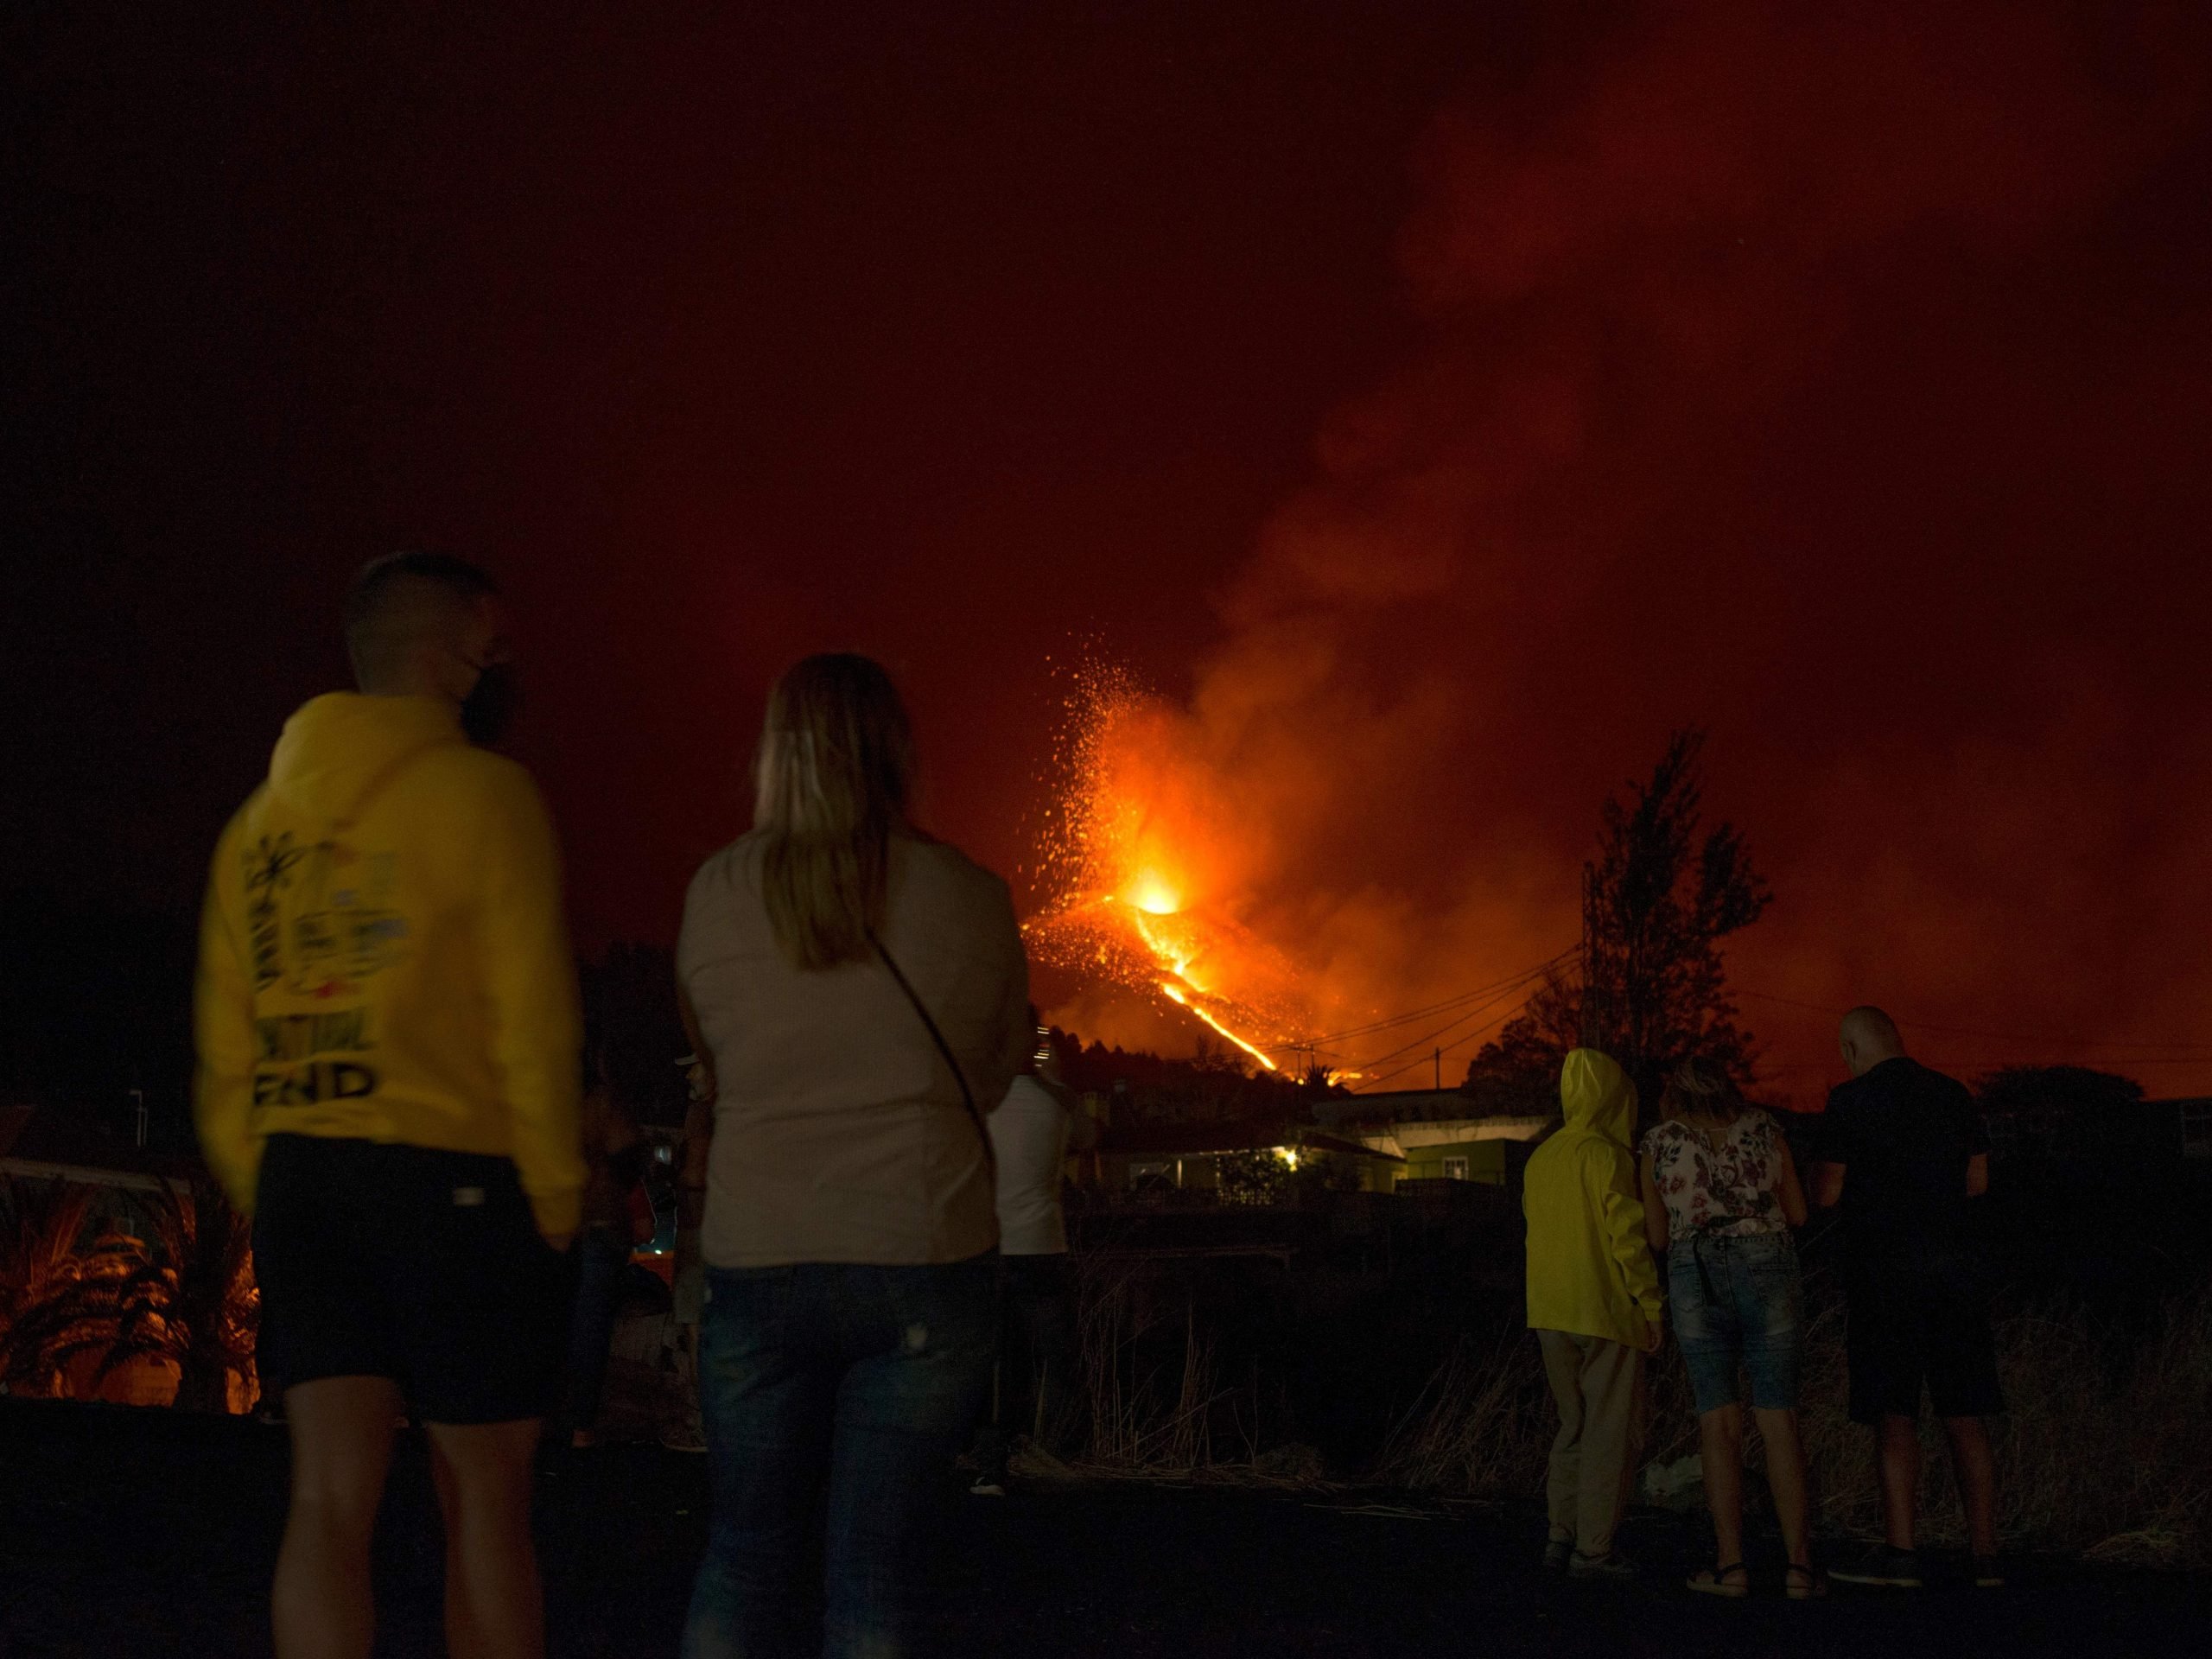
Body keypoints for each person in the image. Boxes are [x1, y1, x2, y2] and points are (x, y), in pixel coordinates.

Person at [194, 551, 584, 1659]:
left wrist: (261, 1173)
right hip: (451, 1174)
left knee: (325, 1500)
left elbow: (228, 1043)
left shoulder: (258, 829)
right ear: (449, 652)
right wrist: (554, 1196)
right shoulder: (485, 797)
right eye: (491, 642)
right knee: (485, 1502)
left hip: (307, 1177)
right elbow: (533, 1019)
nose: (499, 663)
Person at [677, 652, 1031, 1658]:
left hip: (758, 1255)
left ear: (772, 755)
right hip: (920, 1251)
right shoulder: (969, 897)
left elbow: (710, 1065)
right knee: (875, 1574)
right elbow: (1000, 1065)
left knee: (742, 1554)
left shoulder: (714, 896)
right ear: (894, 751)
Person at [1815, 1006, 2003, 1590]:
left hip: (1885, 1279)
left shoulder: (1848, 1102)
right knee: (1964, 1417)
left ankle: (1902, 1555)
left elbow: (1827, 1193)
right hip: (1955, 1276)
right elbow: (1979, 1182)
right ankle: (1986, 1557)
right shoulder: (1953, 1095)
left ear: (1850, 1048)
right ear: (1898, 1038)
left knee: (1895, 1415)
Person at [1638, 1059, 1820, 1599]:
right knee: (1778, 1418)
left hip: (1695, 1271)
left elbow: (1657, 1235)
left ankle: (1732, 1568)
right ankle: (1800, 1569)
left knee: (1718, 1422)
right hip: (1767, 1263)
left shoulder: (1657, 1142)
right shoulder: (1765, 1128)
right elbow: (1799, 1213)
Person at [1522, 1047, 1664, 1580]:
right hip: (1603, 1313)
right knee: (1611, 1432)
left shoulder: (1541, 1158)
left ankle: (1560, 1536)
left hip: (1548, 1313)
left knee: (1573, 1426)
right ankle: (1595, 1550)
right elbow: (1628, 1243)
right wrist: (1650, 1307)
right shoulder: (1608, 1158)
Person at [969, 1020, 1098, 1497]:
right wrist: (1057, 1077)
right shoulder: (1059, 1102)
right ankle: (1064, 1454)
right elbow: (1089, 1137)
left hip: (991, 1247)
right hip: (1043, 1248)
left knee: (998, 1360)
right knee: (1058, 1355)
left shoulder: (978, 1101)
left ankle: (990, 1466)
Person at [561, 1049, 646, 1447]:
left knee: (552, 1326)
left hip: (556, 1225)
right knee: (590, 1331)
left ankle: (550, 1418)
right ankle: (581, 1427)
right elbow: (627, 1154)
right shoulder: (604, 1103)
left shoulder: (544, 1101)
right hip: (600, 1222)